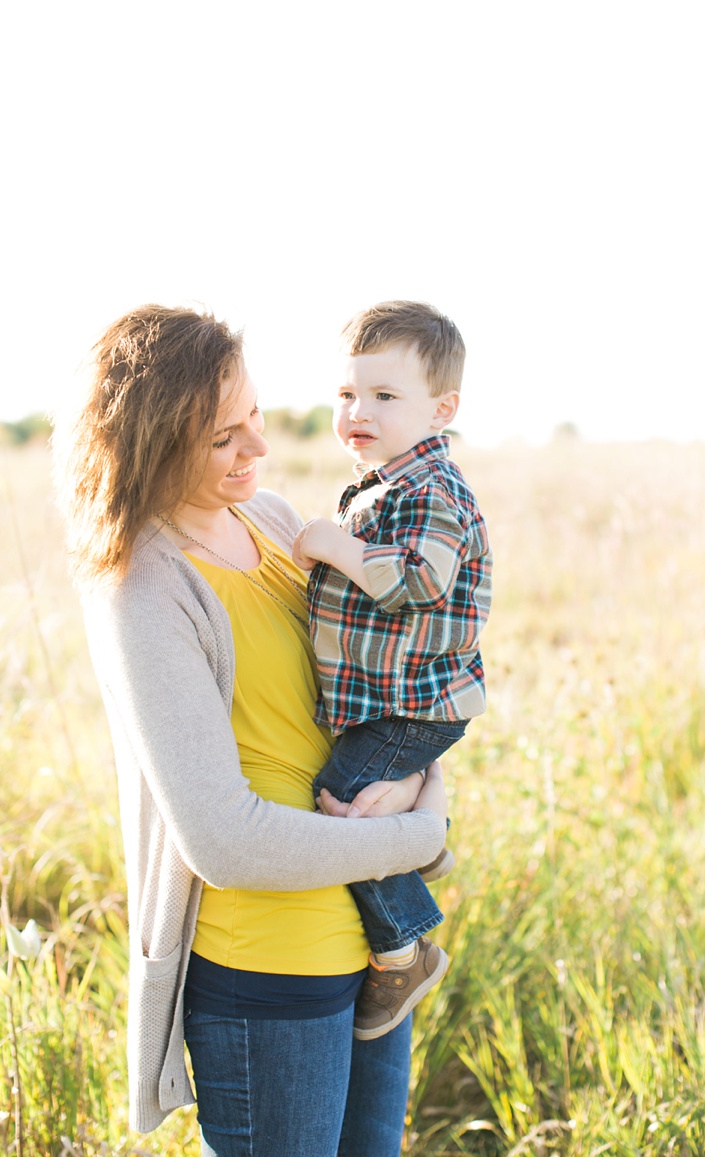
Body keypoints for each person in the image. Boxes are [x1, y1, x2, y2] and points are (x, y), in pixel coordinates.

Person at [54, 304, 448, 1157]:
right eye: (222, 436)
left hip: (373, 948)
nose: (258, 449)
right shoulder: (143, 589)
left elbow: (383, 687)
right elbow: (223, 843)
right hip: (269, 975)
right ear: (153, 440)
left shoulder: (270, 521)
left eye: (255, 417)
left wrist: (422, 786)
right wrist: (414, 838)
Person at [292, 300, 492, 1042]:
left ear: (441, 409)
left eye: (383, 396)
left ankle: (402, 948)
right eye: (348, 393)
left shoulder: (430, 489)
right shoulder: (383, 483)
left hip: (415, 703)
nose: (357, 411)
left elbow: (421, 580)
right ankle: (420, 839)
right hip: (394, 699)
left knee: (342, 803)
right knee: (357, 801)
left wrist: (336, 547)